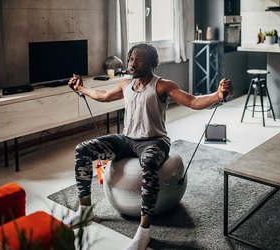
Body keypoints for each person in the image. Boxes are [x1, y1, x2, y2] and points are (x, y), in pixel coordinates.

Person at [66, 42, 233, 250]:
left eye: (139, 59)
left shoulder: (163, 85)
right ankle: (85, 210)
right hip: (127, 140)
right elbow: (103, 96)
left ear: (152, 63)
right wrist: (80, 87)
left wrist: (217, 95)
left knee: (148, 163)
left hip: (155, 141)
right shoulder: (126, 84)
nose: (132, 63)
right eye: (131, 59)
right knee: (82, 149)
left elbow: (192, 101)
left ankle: (143, 231)